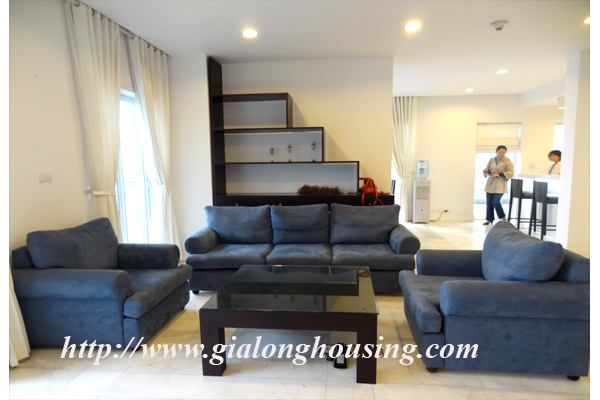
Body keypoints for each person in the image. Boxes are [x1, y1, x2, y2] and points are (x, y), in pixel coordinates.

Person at [482, 145, 514, 225]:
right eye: (500, 152)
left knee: (495, 202)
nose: (501, 153)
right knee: (489, 202)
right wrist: (486, 172)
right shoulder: (492, 160)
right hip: (491, 183)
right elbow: (487, 168)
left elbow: (510, 173)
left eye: (503, 152)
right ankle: (489, 219)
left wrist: (499, 174)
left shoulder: (508, 162)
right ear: (496, 152)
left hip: (500, 183)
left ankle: (502, 216)